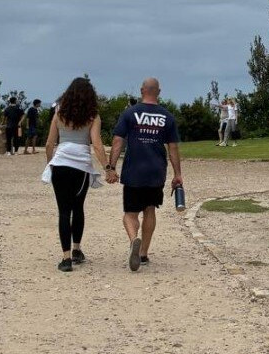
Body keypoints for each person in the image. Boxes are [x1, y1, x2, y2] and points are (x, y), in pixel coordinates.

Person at [107, 77, 182, 272]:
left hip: (134, 170)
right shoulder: (167, 117)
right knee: (150, 209)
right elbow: (173, 147)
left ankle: (134, 240)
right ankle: (144, 253)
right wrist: (177, 174)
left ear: (142, 91)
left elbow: (117, 141)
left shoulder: (130, 113)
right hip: (156, 170)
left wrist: (111, 167)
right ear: (159, 92)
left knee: (130, 213)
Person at [42, 77, 111, 272]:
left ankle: (65, 259)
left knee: (63, 211)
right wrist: (107, 167)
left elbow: (49, 144)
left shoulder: (58, 114)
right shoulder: (93, 116)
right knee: (78, 207)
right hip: (80, 166)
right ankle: (76, 249)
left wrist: (50, 164)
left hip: (60, 163)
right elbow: (96, 144)